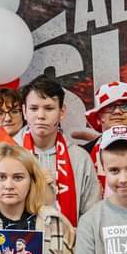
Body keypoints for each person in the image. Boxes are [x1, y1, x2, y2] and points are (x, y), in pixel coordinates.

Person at [16, 74, 100, 224]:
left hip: (68, 237)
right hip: (19, 238)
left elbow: (92, 215)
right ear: (24, 111)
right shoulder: (9, 154)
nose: (41, 116)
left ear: (62, 112)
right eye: (34, 108)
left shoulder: (79, 158)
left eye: (49, 108)